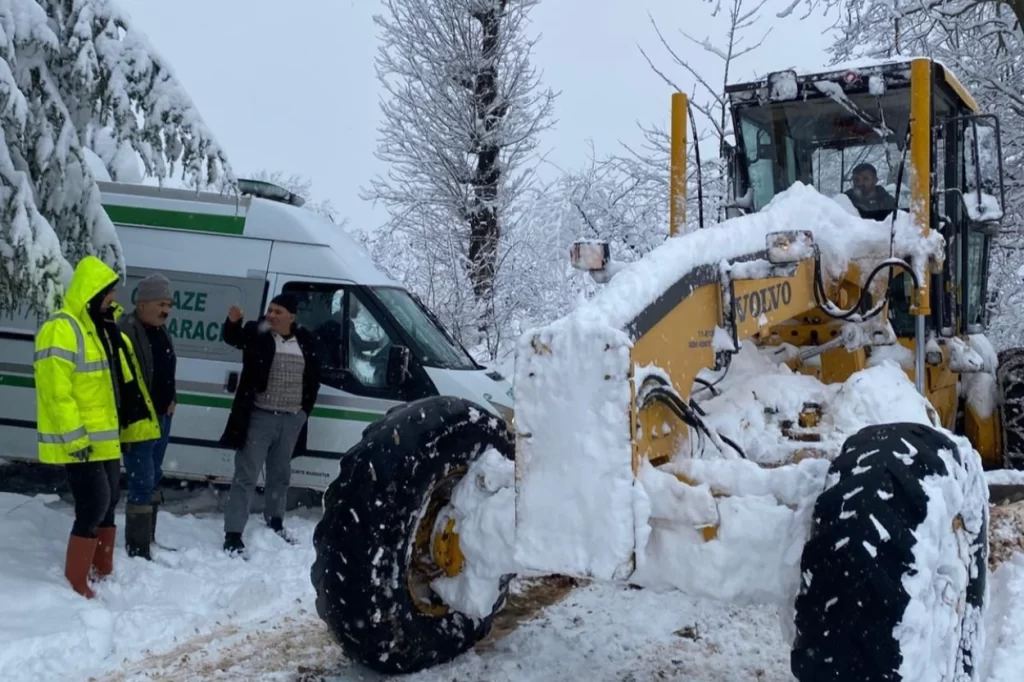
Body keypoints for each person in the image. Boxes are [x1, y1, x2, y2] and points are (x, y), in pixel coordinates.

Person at [34, 255, 161, 598]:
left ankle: (101, 569)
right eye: (109, 293)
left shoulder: (102, 328)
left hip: (104, 436)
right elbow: (55, 392)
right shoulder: (62, 328)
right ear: (93, 293)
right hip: (81, 438)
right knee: (93, 503)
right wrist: (75, 437)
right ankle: (76, 581)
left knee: (109, 501)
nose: (114, 299)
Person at [219, 293, 321, 556]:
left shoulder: (305, 340)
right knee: (246, 475)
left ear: (292, 317)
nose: (271, 315)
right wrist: (233, 323)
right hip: (259, 417)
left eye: (278, 311)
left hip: (290, 419)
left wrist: (303, 413)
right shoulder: (258, 332)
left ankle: (275, 521)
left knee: (280, 475)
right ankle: (233, 534)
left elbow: (313, 379)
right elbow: (233, 338)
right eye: (270, 310)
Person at [118, 273, 177, 560]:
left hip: (162, 418)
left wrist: (172, 397)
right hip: (140, 420)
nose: (166, 310)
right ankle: (137, 549)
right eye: (160, 304)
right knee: (141, 481)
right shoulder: (126, 331)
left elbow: (166, 368)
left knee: (154, 477)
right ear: (142, 304)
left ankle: (148, 539)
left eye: (169, 305)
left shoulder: (162, 330)